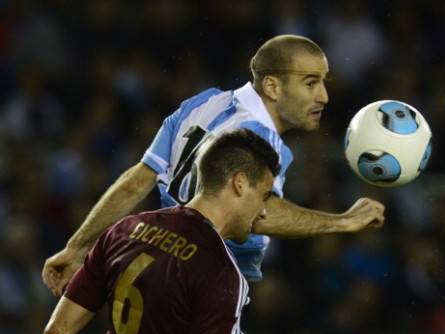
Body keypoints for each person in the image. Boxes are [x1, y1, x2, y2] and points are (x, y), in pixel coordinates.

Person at [43, 34, 384, 293]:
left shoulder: (203, 103)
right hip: (207, 289)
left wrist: (76, 247)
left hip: (159, 277)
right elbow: (261, 215)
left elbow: (137, 180)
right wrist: (342, 223)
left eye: (324, 82)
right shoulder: (257, 138)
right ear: (272, 86)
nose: (323, 96)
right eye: (311, 83)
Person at [39, 129, 281, 334]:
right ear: (239, 183)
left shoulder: (124, 230)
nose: (263, 212)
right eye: (264, 196)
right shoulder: (219, 270)